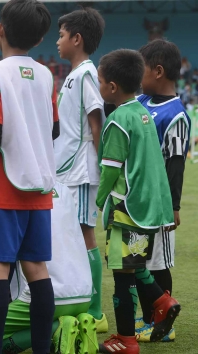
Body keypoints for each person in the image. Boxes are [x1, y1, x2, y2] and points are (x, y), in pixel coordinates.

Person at [0, 0, 58, 352]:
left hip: (3, 189)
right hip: (39, 190)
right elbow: (52, 129)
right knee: (37, 269)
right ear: (38, 41)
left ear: (0, 30)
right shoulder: (47, 74)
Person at [96, 49, 180, 354]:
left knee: (122, 276)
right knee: (132, 266)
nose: (99, 86)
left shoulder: (118, 120)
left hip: (126, 209)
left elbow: (110, 170)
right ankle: (162, 301)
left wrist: (101, 202)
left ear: (112, 87)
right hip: (148, 208)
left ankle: (126, 341)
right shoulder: (144, 114)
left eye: (101, 81)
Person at [0, 182, 96, 354]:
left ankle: (57, 329)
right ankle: (78, 321)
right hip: (84, 295)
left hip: (44, 295)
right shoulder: (64, 189)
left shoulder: (12, 191)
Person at [53, 7, 108, 332]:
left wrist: (101, 173)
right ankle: (81, 301)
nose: (57, 41)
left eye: (61, 35)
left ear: (77, 39)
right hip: (68, 172)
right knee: (74, 235)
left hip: (83, 172)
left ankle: (96, 311)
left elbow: (96, 124)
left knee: (86, 234)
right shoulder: (74, 75)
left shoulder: (87, 73)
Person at [135, 39, 191, 342]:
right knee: (138, 262)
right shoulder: (142, 102)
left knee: (158, 264)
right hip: (138, 202)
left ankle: (163, 324)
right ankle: (148, 317)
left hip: (160, 204)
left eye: (141, 70)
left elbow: (176, 163)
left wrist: (173, 206)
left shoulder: (176, 114)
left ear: (158, 71)